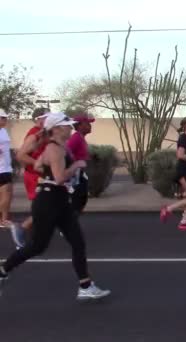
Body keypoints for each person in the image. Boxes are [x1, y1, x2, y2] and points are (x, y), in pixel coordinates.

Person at [0, 112, 111, 300]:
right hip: (49, 202)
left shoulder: (57, 147)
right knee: (37, 246)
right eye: (67, 125)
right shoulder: (55, 149)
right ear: (57, 129)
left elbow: (36, 166)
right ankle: (3, 270)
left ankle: (85, 286)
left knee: (78, 242)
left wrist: (46, 169)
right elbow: (60, 178)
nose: (70, 127)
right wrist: (76, 165)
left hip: (59, 201)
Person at [10, 107, 50, 248]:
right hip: (34, 176)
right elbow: (21, 155)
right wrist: (39, 164)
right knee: (45, 207)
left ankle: (35, 235)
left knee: (48, 206)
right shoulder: (34, 134)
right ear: (38, 119)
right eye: (46, 117)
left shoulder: (43, 133)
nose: (48, 119)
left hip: (42, 175)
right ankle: (22, 229)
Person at [66, 112, 95, 215]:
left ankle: (70, 226)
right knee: (76, 203)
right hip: (75, 176)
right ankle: (68, 228)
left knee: (80, 202)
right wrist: (75, 166)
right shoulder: (76, 138)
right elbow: (66, 153)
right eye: (87, 123)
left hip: (81, 174)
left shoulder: (81, 137)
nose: (90, 126)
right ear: (79, 125)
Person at [0, 109, 14, 229]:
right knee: (6, 194)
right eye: (2, 118)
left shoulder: (3, 131)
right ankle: (3, 220)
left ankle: (4, 219)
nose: (5, 120)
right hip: (1, 169)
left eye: (5, 118)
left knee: (7, 194)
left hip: (6, 168)